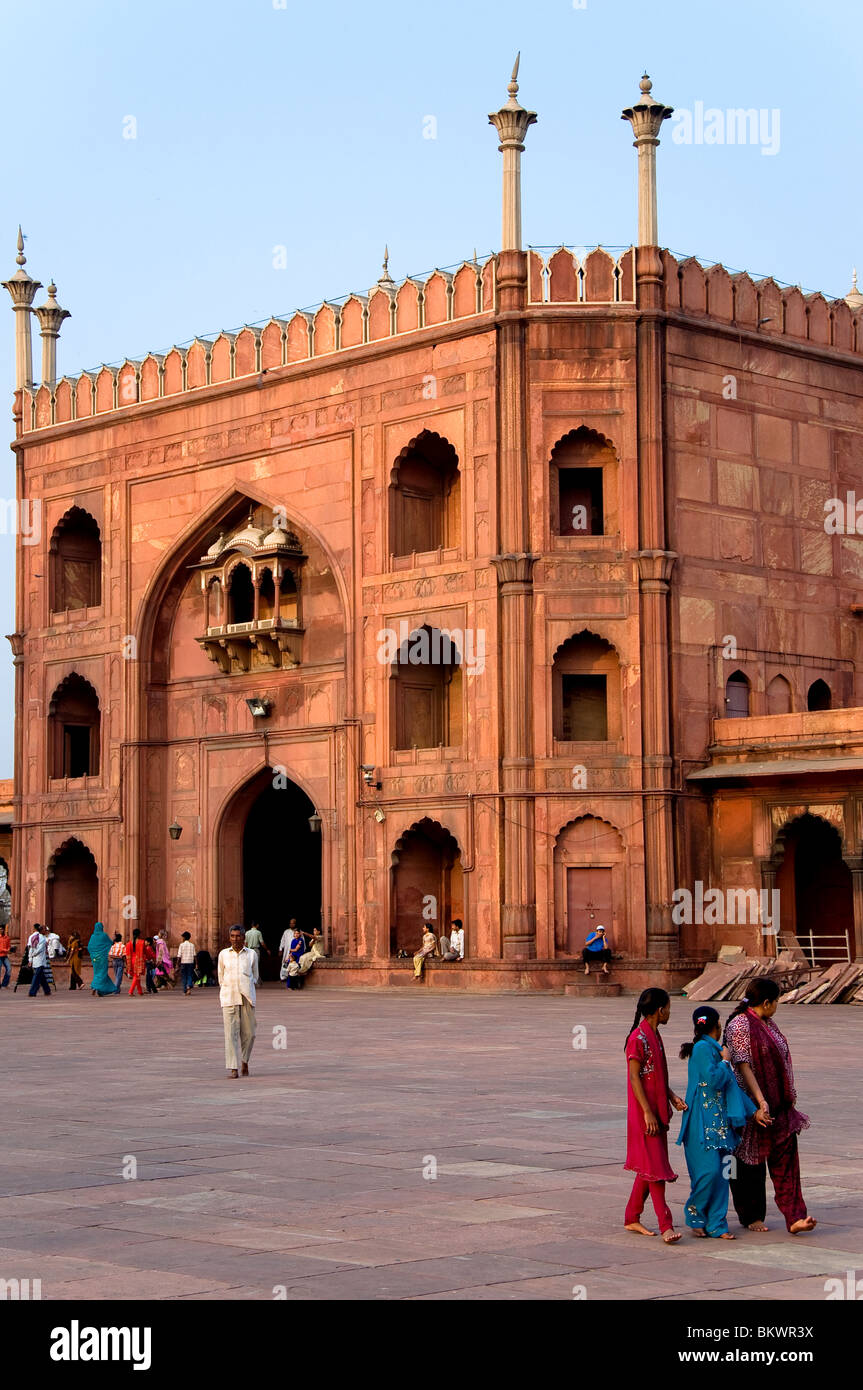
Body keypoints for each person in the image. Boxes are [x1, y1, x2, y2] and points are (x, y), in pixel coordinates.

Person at [723, 978, 817, 1235]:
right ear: (767, 1002)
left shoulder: (768, 1023)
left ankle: (795, 1216)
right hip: (749, 1105)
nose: (777, 1006)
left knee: (787, 1160)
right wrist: (759, 1101)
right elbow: (742, 1066)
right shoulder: (740, 1024)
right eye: (776, 1001)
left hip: (778, 1105)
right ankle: (751, 1215)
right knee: (748, 1164)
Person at [676, 1005, 756, 1240]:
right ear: (717, 1026)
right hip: (701, 1123)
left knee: (723, 1175)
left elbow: (732, 1087)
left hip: (720, 1125)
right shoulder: (703, 1049)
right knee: (708, 1172)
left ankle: (717, 1224)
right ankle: (695, 1214)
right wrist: (725, 1062)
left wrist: (754, 1111)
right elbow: (713, 1081)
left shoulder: (716, 1050)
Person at [623, 987, 687, 1244]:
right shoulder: (638, 1038)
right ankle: (666, 1225)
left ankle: (631, 1217)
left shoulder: (654, 1035)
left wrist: (671, 1096)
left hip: (655, 1109)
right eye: (669, 1007)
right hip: (645, 1113)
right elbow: (634, 1077)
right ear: (660, 1010)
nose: (670, 1012)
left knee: (650, 1166)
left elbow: (656, 1075)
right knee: (657, 1168)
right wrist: (648, 1112)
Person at [218, 925, 258, 1079]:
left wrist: (246, 984)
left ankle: (244, 1060)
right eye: (233, 936)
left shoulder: (252, 954)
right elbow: (221, 976)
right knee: (230, 1034)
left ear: (244, 937)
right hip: (229, 996)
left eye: (238, 936)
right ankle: (233, 1067)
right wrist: (228, 987)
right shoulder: (223, 955)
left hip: (247, 996)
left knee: (250, 1033)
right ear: (229, 938)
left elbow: (255, 976)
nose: (235, 939)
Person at [87, 922, 115, 997]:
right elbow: (110, 943)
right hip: (102, 958)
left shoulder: (92, 936)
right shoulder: (104, 935)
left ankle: (100, 990)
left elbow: (89, 947)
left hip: (95, 959)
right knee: (102, 973)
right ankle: (95, 986)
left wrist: (93, 955)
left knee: (97, 973)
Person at [27, 924, 52, 997]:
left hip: (35, 959)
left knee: (40, 975)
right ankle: (32, 992)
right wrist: (33, 956)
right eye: (44, 930)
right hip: (40, 959)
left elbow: (30, 948)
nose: (46, 931)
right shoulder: (42, 938)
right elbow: (40, 949)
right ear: (41, 930)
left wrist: (30, 959)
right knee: (37, 976)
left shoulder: (32, 937)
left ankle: (47, 990)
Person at [281, 926, 305, 990]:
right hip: (293, 956)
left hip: (298, 956)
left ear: (300, 934)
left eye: (297, 933)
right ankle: (290, 986)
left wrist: (291, 950)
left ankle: (296, 985)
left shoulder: (300, 940)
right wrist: (288, 957)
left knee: (296, 972)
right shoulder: (293, 940)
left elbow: (296, 949)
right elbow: (291, 951)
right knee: (290, 972)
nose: (296, 934)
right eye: (295, 933)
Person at [125, 929, 147, 996]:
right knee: (136, 976)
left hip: (131, 961)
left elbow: (127, 954)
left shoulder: (128, 943)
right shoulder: (142, 942)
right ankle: (130, 991)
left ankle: (140, 991)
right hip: (138, 961)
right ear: (139, 934)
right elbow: (144, 952)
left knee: (136, 976)